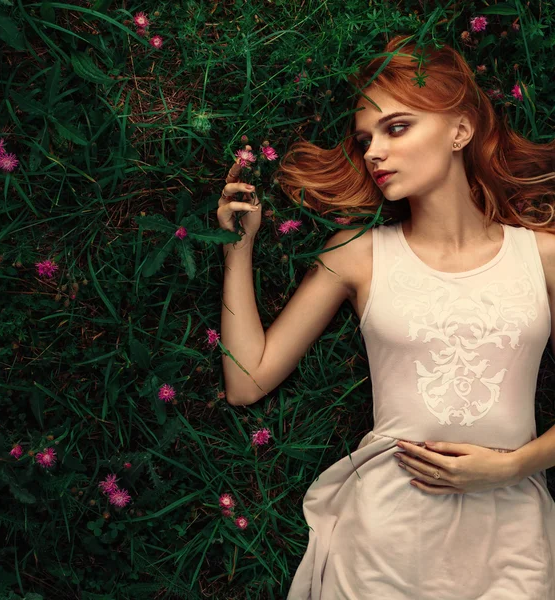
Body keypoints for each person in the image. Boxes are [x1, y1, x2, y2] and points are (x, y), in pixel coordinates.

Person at [216, 34, 555, 599]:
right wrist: (238, 250)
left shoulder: (542, 255)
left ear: (460, 130)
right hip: (387, 536)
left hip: (511, 530)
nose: (373, 152)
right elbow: (246, 380)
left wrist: (515, 465)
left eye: (396, 128)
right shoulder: (357, 254)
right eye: (365, 139)